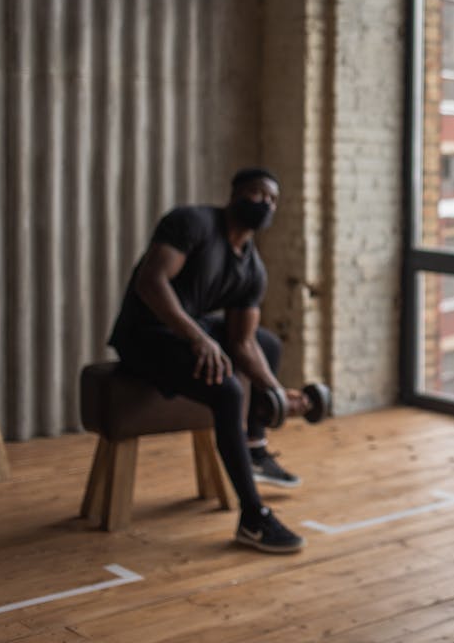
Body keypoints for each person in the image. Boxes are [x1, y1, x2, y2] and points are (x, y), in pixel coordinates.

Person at [108, 167, 310, 554]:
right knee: (228, 391)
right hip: (143, 335)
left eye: (273, 200)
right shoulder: (192, 223)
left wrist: (275, 391)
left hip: (185, 333)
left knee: (266, 344)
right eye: (258, 194)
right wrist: (198, 338)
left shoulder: (253, 269)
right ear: (235, 194)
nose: (265, 203)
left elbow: (242, 342)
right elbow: (150, 282)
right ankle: (253, 518)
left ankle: (254, 446)